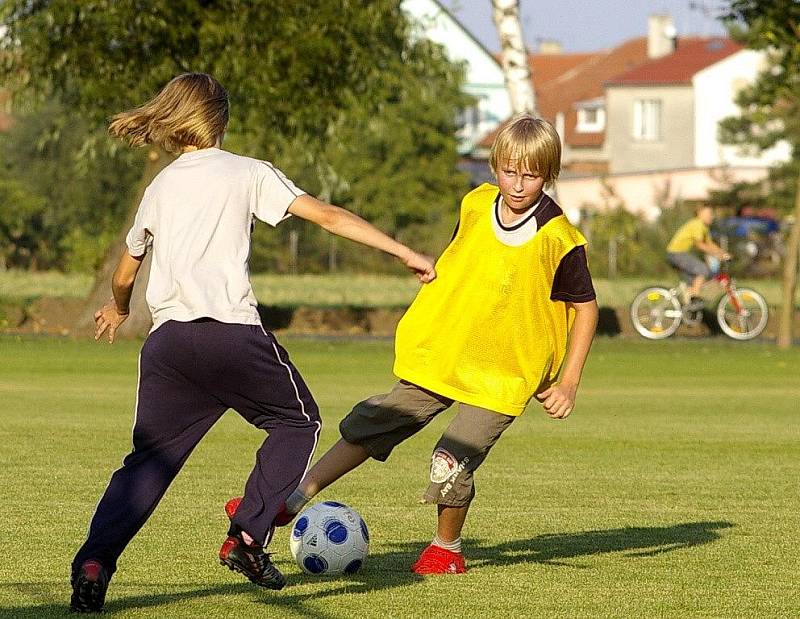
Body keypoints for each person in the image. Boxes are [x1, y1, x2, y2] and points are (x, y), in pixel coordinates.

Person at [69, 72, 436, 612]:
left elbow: (126, 273)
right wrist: (401, 250)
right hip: (231, 335)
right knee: (297, 422)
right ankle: (246, 535)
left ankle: (94, 563)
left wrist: (119, 309)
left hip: (168, 344)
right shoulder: (247, 172)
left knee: (147, 463)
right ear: (221, 118)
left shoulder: (161, 186)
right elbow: (328, 216)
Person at [227, 114, 599, 574]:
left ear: (550, 173)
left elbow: (586, 308)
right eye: (509, 171)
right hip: (446, 352)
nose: (518, 184)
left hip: (503, 374)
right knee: (375, 419)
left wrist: (568, 381)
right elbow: (465, 264)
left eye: (532, 174)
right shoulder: (477, 204)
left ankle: (447, 549)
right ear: (494, 166)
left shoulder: (560, 239)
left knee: (450, 460)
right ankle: (291, 500)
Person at [666, 206, 730, 303]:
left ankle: (688, 306)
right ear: (700, 214)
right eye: (709, 214)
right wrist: (718, 255)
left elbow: (710, 244)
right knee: (702, 270)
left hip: (677, 254)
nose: (711, 217)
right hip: (676, 254)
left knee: (696, 281)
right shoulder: (697, 224)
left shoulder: (704, 227)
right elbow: (700, 245)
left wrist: (723, 253)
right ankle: (695, 299)